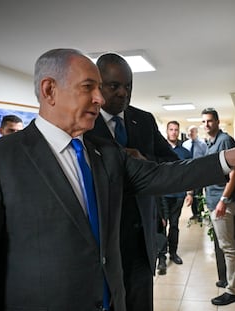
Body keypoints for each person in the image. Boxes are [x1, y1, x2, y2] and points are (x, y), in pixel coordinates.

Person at [0, 48, 235, 310]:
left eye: (101, 88)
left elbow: (167, 173)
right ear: (49, 90)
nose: (100, 99)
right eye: (89, 87)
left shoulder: (104, 154)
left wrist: (232, 156)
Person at [85, 53, 178, 311]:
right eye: (114, 86)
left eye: (128, 87)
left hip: (141, 240)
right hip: (103, 242)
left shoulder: (144, 120)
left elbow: (170, 162)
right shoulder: (85, 123)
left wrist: (144, 159)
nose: (123, 93)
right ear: (98, 85)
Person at [201, 108, 235, 306]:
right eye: (204, 121)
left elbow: (234, 172)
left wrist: (223, 200)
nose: (207, 124)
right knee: (224, 244)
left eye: (210, 121)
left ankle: (233, 289)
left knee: (227, 247)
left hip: (222, 203)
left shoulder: (225, 140)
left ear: (217, 121)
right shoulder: (210, 143)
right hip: (214, 200)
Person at [157, 121, 192, 273]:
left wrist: (190, 193)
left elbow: (189, 174)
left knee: (175, 225)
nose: (173, 132)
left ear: (178, 132)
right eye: (171, 129)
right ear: (167, 131)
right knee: (162, 225)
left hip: (178, 194)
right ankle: (162, 257)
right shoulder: (159, 150)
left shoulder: (185, 152)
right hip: (163, 194)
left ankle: (173, 253)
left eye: (176, 130)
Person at [182, 125, 207, 222]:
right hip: (189, 172)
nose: (190, 133)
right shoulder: (185, 144)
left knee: (198, 193)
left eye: (192, 131)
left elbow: (206, 157)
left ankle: (200, 213)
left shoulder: (202, 144)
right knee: (190, 193)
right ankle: (194, 213)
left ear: (196, 132)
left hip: (199, 172)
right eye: (189, 131)